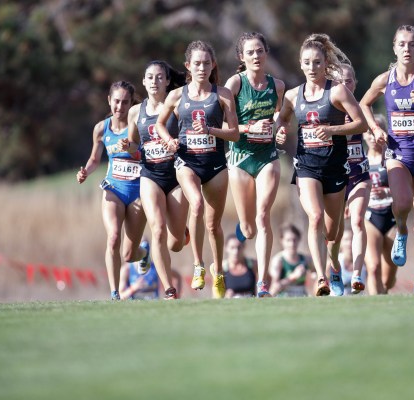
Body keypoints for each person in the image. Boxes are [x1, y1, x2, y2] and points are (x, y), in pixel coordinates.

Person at [359, 25, 414, 293]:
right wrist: (375, 129)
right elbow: (364, 104)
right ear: (394, 48)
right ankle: (400, 231)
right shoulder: (384, 80)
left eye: (412, 44)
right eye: (401, 44)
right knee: (400, 204)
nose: (406, 49)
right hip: (397, 155)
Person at [275, 33, 367, 296]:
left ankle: (334, 264)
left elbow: (360, 123)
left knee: (332, 231)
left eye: (317, 62)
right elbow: (281, 120)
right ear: (300, 64)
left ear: (325, 63)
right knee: (314, 217)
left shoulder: (337, 91)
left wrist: (333, 129)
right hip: (306, 166)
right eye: (307, 62)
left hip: (335, 167)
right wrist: (281, 130)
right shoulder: (293, 96)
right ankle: (321, 278)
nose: (312, 67)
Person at [156, 40, 240, 299]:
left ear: (212, 64)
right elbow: (160, 124)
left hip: (215, 164)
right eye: (197, 63)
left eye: (206, 63)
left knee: (214, 225)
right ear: (188, 66)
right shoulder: (175, 95)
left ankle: (218, 272)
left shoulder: (223, 94)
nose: (202, 67)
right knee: (196, 204)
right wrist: (168, 140)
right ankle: (198, 266)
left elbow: (235, 134)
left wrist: (211, 130)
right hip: (186, 162)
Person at [119, 60, 189, 300]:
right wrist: (128, 146)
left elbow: (190, 133)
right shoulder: (135, 112)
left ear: (168, 81)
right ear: (143, 81)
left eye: (160, 77)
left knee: (175, 243)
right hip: (150, 175)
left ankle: (182, 230)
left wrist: (174, 143)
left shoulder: (178, 105)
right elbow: (134, 148)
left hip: (177, 175)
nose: (154, 82)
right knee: (157, 229)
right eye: (150, 77)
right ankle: (169, 288)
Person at [224, 32, 285, 298]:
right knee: (248, 230)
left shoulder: (278, 85)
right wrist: (250, 127)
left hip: (267, 157)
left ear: (266, 53)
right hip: (239, 158)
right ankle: (244, 224)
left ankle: (262, 283)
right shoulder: (235, 84)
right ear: (242, 57)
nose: (256, 56)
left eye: (259, 51)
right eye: (250, 52)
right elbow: (225, 127)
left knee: (263, 217)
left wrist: (280, 130)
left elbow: (280, 118)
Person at [76, 80, 148, 301]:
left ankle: (144, 253)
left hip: (138, 192)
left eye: (125, 102)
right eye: (116, 101)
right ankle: (115, 292)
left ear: (130, 103)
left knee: (129, 254)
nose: (120, 107)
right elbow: (94, 159)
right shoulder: (101, 128)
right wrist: (85, 171)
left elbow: (146, 155)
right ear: (109, 101)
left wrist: (133, 148)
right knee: (113, 238)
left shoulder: (138, 125)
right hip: (113, 188)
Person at [326, 62, 371, 296]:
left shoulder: (362, 109)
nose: (345, 84)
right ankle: (333, 273)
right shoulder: (328, 109)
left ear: (356, 83)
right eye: (340, 81)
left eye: (350, 80)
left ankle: (356, 275)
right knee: (333, 233)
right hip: (334, 178)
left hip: (359, 175)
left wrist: (379, 135)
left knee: (358, 221)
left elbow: (375, 127)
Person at [364, 114, 398, 295]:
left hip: (392, 218)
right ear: (363, 135)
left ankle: (385, 293)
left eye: (375, 132)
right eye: (368, 133)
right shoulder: (360, 160)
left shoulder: (393, 157)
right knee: (373, 267)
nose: (372, 137)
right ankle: (373, 305)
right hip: (370, 217)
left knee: (388, 279)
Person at [118, 239, 183, 300]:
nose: (145, 249)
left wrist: (177, 295)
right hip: (135, 307)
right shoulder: (127, 269)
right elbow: (120, 296)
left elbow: (177, 276)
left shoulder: (156, 266)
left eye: (146, 246)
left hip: (154, 306)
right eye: (142, 246)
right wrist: (133, 289)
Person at [269, 224, 312, 297]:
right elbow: (273, 289)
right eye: (288, 240)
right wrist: (293, 277)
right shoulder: (278, 260)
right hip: (284, 301)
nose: (292, 244)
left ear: (299, 239)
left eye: (294, 240)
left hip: (302, 300)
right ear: (281, 240)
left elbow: (314, 281)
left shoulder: (306, 259)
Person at [338, 226, 368, 295]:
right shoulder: (334, 262)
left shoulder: (364, 263)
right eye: (346, 240)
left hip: (359, 303)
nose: (349, 243)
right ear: (341, 243)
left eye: (352, 239)